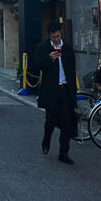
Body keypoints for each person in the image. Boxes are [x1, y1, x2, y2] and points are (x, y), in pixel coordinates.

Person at [31, 21, 77, 164]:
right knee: (50, 120)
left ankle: (64, 153)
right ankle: (46, 139)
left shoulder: (68, 48)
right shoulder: (42, 48)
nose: (56, 39)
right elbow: (36, 66)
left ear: (61, 33)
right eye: (53, 37)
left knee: (67, 122)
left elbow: (72, 68)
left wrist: (74, 89)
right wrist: (49, 59)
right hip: (51, 90)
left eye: (58, 36)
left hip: (66, 90)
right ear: (49, 36)